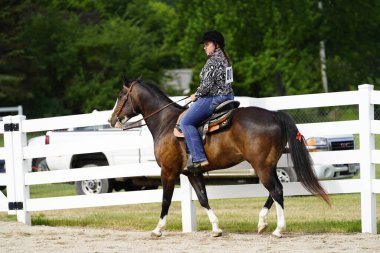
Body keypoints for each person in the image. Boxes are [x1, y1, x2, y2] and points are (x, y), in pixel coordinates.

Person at [180, 30, 234, 172]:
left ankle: (198, 157)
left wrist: (196, 95)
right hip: (228, 96)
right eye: (204, 45)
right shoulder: (225, 59)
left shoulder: (213, 61)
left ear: (216, 45)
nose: (204, 47)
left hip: (214, 98)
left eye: (207, 44)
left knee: (185, 122)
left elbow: (207, 86)